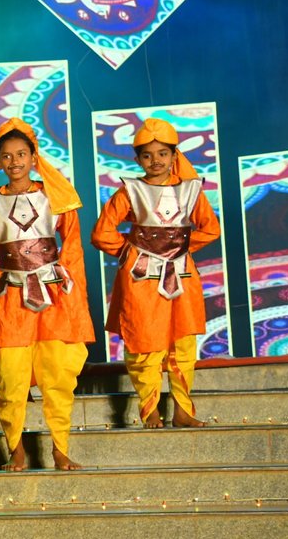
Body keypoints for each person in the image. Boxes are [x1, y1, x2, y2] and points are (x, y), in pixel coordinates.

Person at [0, 119, 93, 471]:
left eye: (21, 154)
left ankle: (60, 448)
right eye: (7, 156)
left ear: (34, 157)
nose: (15, 161)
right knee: (10, 376)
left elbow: (73, 248)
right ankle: (16, 449)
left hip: (54, 296)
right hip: (8, 297)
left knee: (58, 373)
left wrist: (76, 296)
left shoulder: (55, 195)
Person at [91, 118, 220, 429]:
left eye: (163, 153)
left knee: (183, 342)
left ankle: (182, 409)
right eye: (147, 155)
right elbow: (102, 233)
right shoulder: (130, 191)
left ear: (174, 156)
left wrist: (179, 248)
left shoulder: (190, 190)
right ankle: (149, 408)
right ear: (137, 159)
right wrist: (133, 252)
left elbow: (210, 228)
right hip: (141, 278)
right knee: (144, 340)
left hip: (181, 275)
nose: (156, 161)